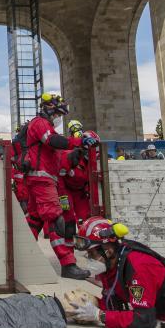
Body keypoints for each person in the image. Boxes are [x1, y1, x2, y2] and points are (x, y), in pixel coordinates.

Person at [24, 92, 96, 280]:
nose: (58, 119)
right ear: (50, 110)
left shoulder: (44, 125)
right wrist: (78, 141)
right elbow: (53, 141)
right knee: (56, 220)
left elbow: (57, 153)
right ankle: (68, 265)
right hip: (42, 180)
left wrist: (76, 151)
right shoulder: (40, 123)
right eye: (58, 115)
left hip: (41, 179)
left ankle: (21, 258)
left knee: (35, 219)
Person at [60, 120, 98, 224]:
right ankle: (67, 238)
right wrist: (62, 195)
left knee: (85, 217)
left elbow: (90, 180)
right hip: (65, 190)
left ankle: (84, 236)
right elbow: (60, 174)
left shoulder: (92, 161)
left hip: (80, 191)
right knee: (67, 216)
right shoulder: (68, 156)